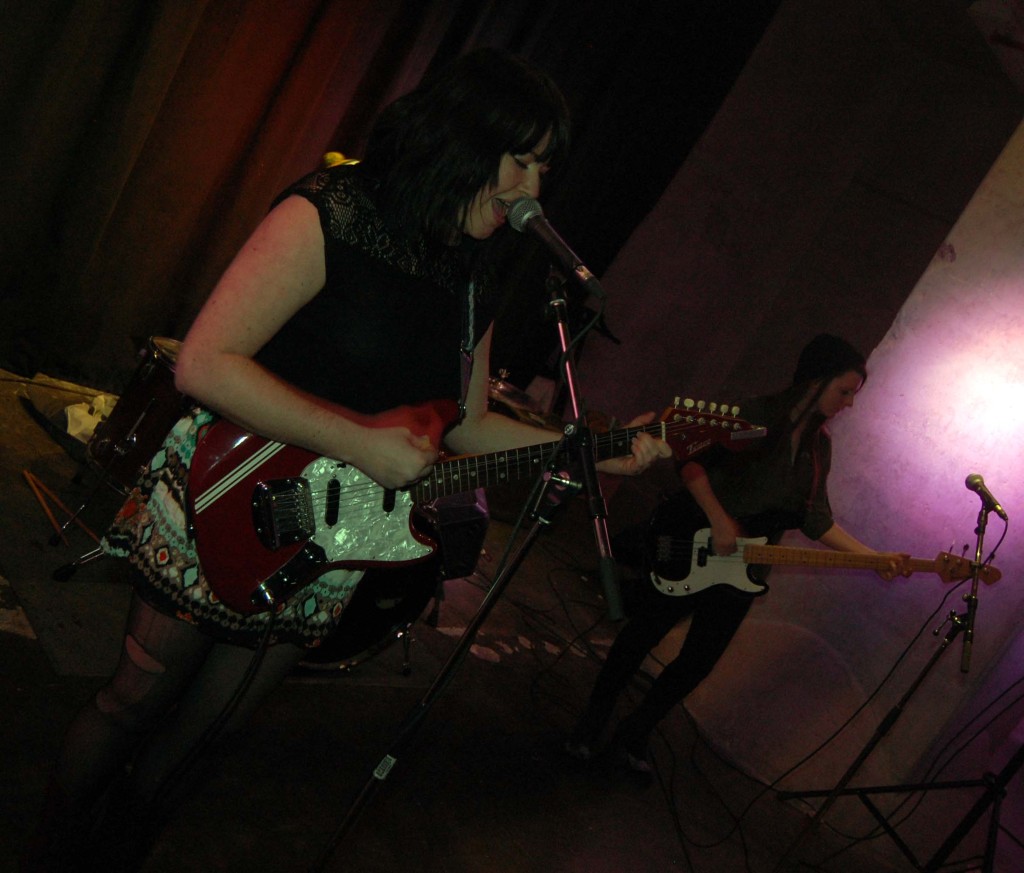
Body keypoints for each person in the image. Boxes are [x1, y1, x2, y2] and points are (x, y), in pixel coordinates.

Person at [24, 47, 670, 871]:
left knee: (203, 738)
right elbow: (205, 363)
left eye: (544, 168)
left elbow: (467, 425)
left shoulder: (469, 274)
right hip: (222, 486)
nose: (531, 191)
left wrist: (591, 449)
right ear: (463, 140)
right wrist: (360, 440)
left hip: (329, 532)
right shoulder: (332, 209)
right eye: (521, 160)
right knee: (129, 706)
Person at [565, 333, 899, 775]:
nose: (848, 403)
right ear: (816, 382)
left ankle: (634, 734)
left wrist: (872, 558)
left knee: (697, 661)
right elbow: (690, 459)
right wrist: (718, 518)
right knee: (642, 633)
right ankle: (592, 720)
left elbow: (815, 518)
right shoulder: (754, 415)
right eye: (844, 391)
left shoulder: (819, 449)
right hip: (694, 541)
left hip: (743, 569)